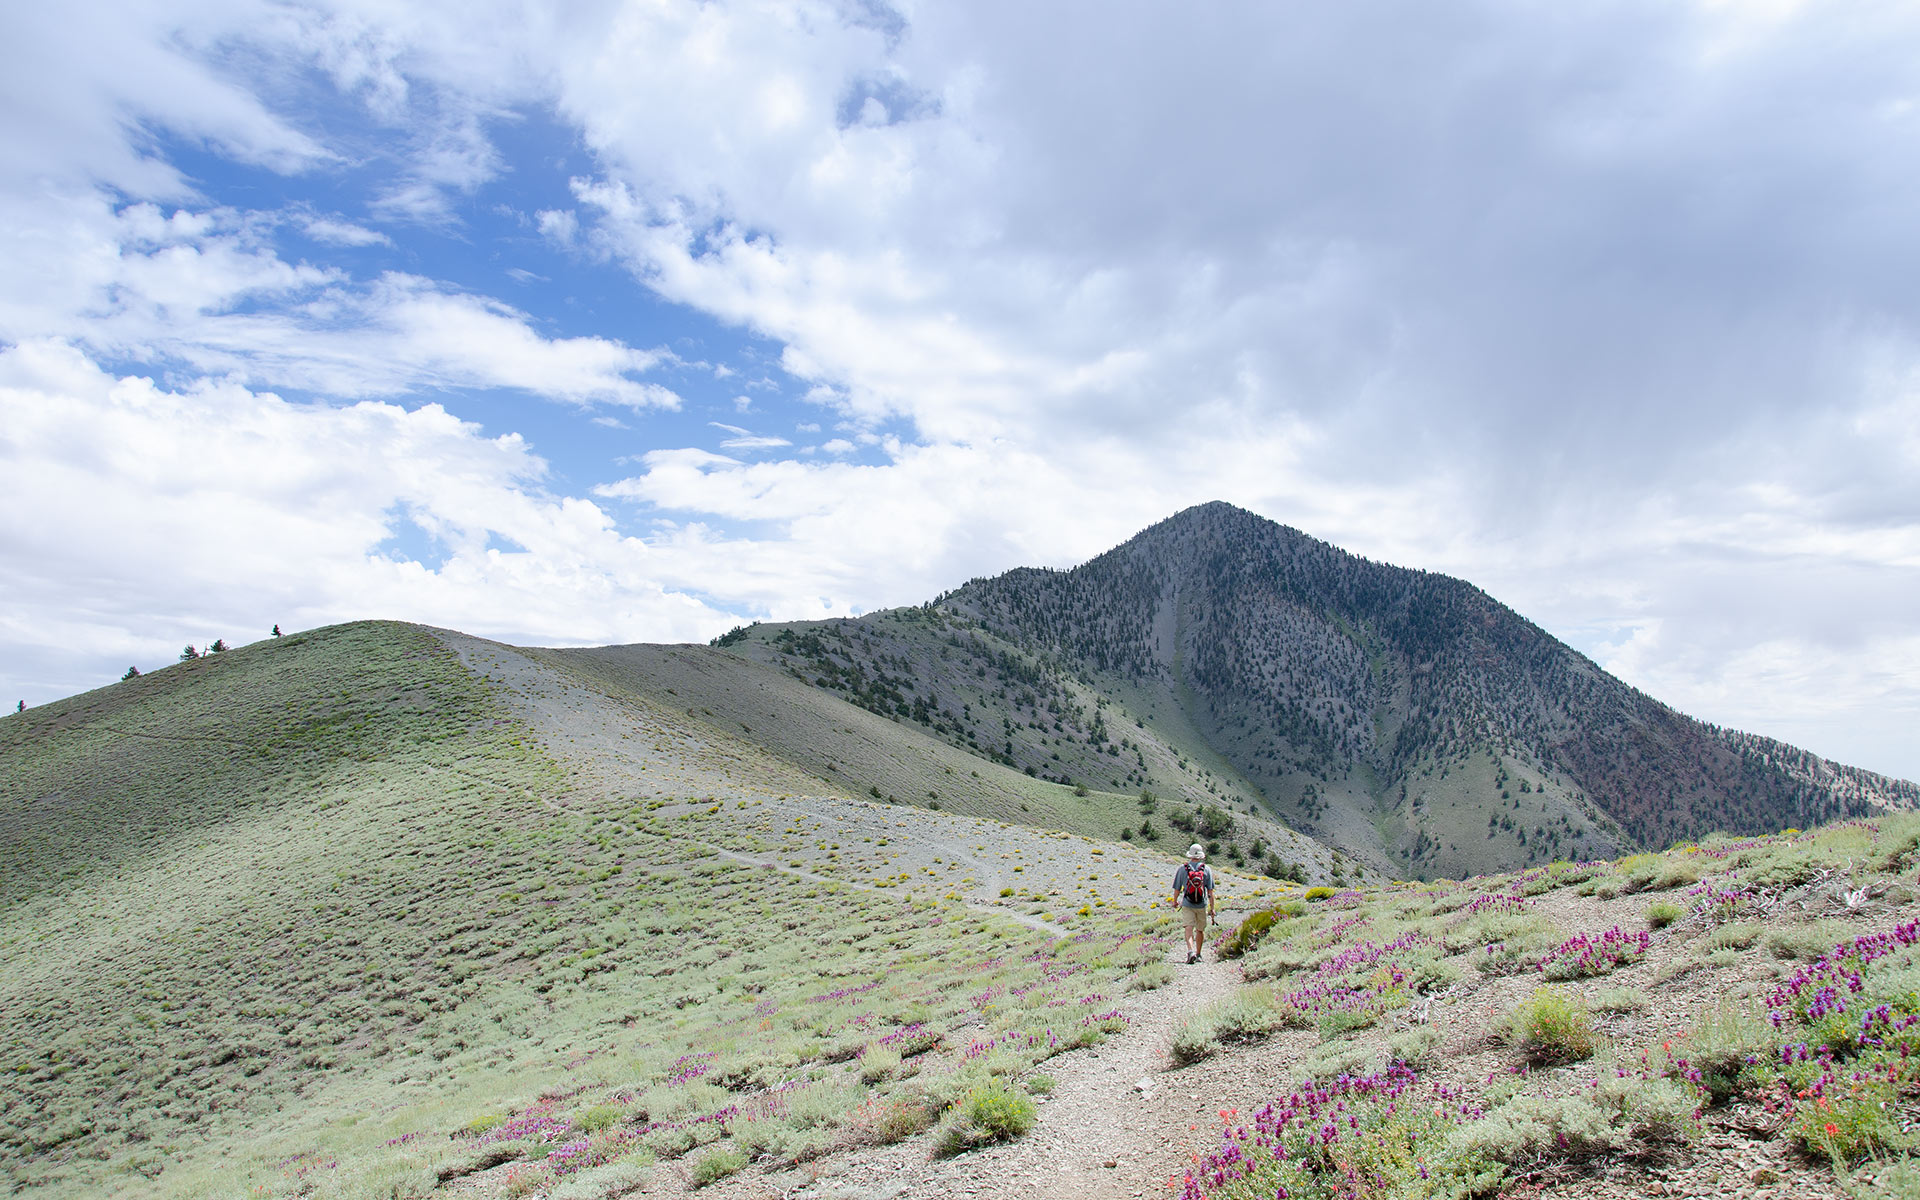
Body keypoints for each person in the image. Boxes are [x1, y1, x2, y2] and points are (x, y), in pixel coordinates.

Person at [1171, 844, 1215, 964]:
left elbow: (1177, 888)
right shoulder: (1206, 869)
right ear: (1201, 856)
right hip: (1202, 904)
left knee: (1188, 928)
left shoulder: (1182, 869)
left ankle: (1190, 951)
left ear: (1190, 855)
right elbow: (1210, 891)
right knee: (1200, 930)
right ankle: (1199, 954)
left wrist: (1175, 901)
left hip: (1187, 903)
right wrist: (1212, 908)